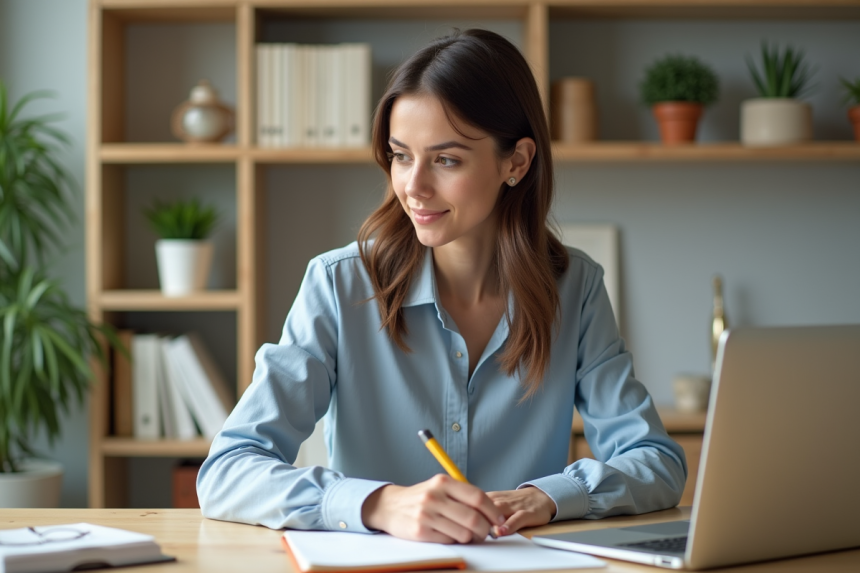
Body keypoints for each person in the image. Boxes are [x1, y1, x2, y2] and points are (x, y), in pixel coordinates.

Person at [197, 28, 686, 544]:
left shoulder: (576, 287)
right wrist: (378, 503)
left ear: (516, 162)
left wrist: (551, 495)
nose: (413, 186)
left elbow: (656, 462)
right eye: (401, 155)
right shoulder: (338, 285)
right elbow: (227, 471)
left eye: (446, 160)